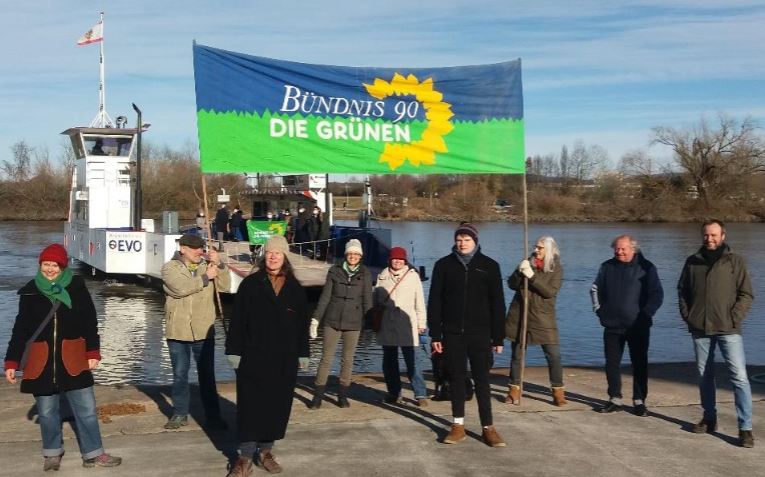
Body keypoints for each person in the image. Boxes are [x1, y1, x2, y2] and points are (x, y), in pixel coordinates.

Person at [3, 244, 121, 470]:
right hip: (41, 361)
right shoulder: (29, 292)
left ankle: (94, 454)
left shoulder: (77, 287)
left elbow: (90, 321)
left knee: (86, 409)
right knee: (47, 412)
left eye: (54, 265)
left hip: (74, 357)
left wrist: (93, 351)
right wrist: (11, 361)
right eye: (46, 264)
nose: (49, 269)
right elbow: (20, 330)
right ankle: (52, 453)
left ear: (63, 266)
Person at [225, 235, 310, 475]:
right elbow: (238, 321)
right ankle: (244, 457)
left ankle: (265, 451)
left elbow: (302, 326)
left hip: (284, 358)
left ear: (285, 257)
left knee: (276, 406)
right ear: (265, 255)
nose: (273, 257)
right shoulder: (251, 284)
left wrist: (303, 353)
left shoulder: (295, 289)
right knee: (251, 407)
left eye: (278, 253)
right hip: (253, 356)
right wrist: (234, 350)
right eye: (270, 253)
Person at [428, 223, 507, 447]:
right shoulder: (443, 266)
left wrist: (498, 337)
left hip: (481, 333)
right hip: (452, 334)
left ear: (475, 241)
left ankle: (488, 428)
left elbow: (498, 304)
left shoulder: (489, 266)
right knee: (456, 379)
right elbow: (435, 302)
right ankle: (458, 425)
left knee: (482, 381)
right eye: (459, 239)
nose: (462, 243)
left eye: (467, 239)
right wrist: (436, 334)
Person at [678, 219, 755, 448]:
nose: (709, 239)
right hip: (700, 328)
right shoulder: (693, 261)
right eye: (706, 235)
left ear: (723, 235)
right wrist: (688, 315)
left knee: (739, 377)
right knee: (704, 376)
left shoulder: (735, 261)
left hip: (728, 329)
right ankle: (709, 418)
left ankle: (745, 428)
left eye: (714, 235)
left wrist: (734, 317)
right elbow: (682, 291)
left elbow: (746, 294)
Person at [161, 233, 230, 430]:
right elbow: (180, 288)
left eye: (201, 247)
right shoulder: (169, 268)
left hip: (203, 330)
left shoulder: (207, 266)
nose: (200, 251)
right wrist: (206, 277)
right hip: (178, 331)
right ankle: (179, 413)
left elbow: (225, 287)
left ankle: (214, 417)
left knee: (207, 375)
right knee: (180, 374)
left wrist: (221, 266)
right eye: (195, 248)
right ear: (182, 249)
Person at [590, 235, 663, 416]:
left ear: (633, 249)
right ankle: (614, 399)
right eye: (616, 248)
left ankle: (639, 401)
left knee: (639, 364)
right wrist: (599, 311)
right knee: (612, 363)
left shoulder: (646, 267)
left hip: (638, 326)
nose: (619, 252)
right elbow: (594, 289)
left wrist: (646, 315)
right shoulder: (606, 267)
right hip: (612, 325)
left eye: (623, 248)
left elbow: (656, 294)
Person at [308, 239, 373, 409]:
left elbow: (367, 300)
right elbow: (325, 297)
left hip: (354, 322)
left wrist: (370, 322)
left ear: (360, 256)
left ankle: (342, 396)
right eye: (350, 253)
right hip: (332, 320)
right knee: (326, 359)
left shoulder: (365, 274)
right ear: (346, 255)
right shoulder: (334, 271)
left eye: (356, 254)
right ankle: (318, 396)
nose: (353, 256)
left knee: (348, 360)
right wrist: (316, 319)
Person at [505, 236, 566, 406]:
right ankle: (514, 390)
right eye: (536, 247)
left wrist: (532, 277)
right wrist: (520, 272)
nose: (536, 250)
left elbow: (548, 292)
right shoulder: (527, 262)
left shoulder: (556, 269)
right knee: (517, 354)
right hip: (521, 314)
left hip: (543, 316)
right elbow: (511, 284)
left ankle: (558, 391)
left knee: (553, 355)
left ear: (549, 250)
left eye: (540, 248)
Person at [374, 246, 429, 406]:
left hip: (407, 324)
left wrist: (421, 323)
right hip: (387, 324)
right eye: (394, 259)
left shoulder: (413, 276)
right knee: (389, 362)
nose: (397, 261)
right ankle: (394, 393)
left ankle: (420, 394)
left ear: (405, 261)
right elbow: (376, 300)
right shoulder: (382, 276)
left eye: (400, 259)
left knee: (413, 361)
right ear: (390, 260)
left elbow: (420, 301)